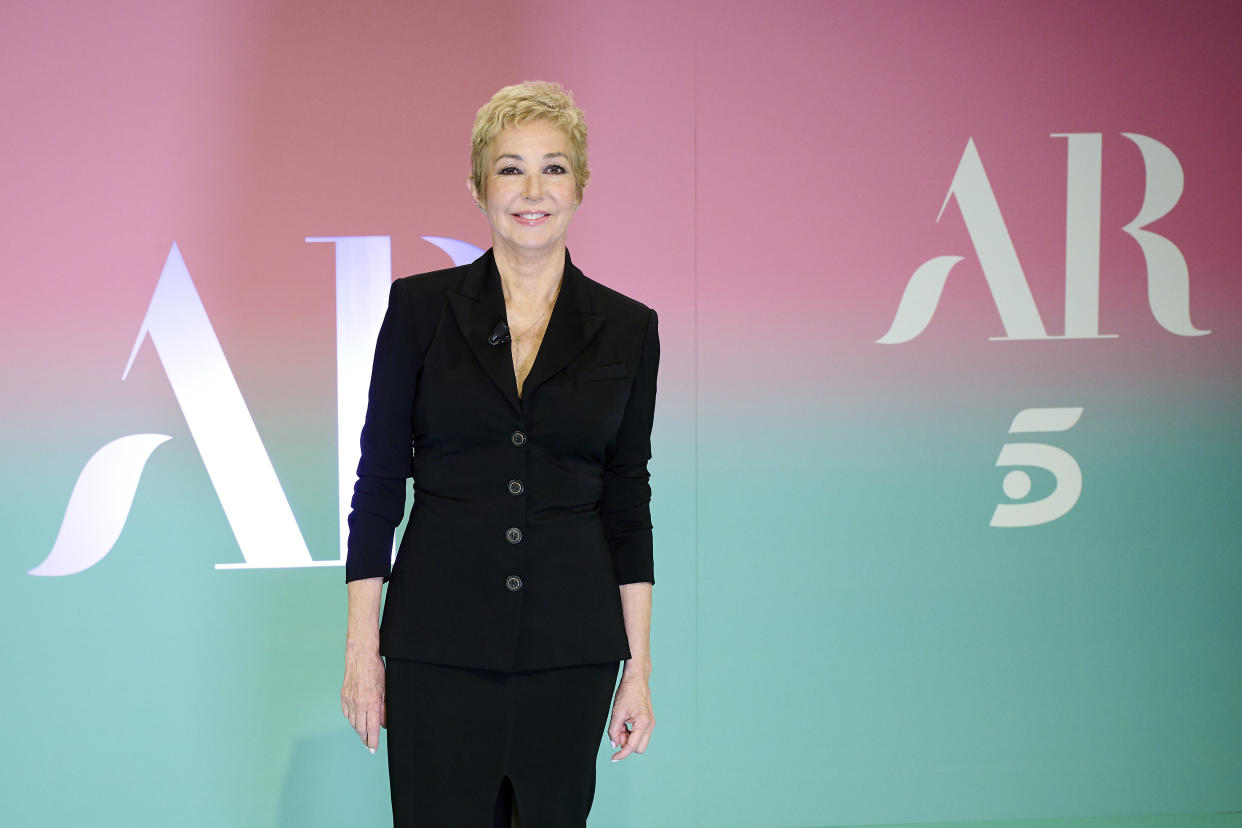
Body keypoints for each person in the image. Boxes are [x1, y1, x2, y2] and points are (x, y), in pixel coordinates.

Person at [339, 81, 659, 827]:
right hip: (437, 645)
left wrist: (639, 668)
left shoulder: (628, 328)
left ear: (581, 184)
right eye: (510, 167)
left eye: (553, 167)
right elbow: (379, 483)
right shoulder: (420, 310)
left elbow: (628, 499)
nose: (532, 189)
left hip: (570, 652)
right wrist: (364, 646)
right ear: (479, 185)